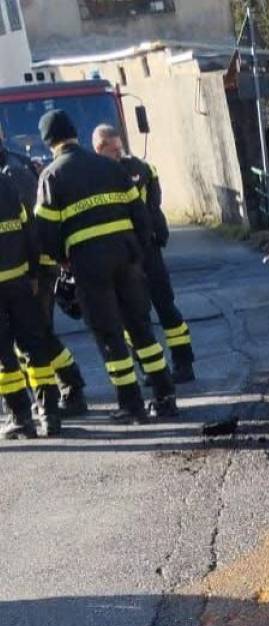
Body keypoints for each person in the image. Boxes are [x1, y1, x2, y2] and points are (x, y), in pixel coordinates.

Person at [34, 110, 178, 422]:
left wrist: (65, 260)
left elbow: (45, 232)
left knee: (110, 334)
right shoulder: (109, 166)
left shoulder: (51, 176)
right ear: (74, 132)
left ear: (49, 143)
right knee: (141, 328)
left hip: (89, 266)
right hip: (127, 258)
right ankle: (165, 396)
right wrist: (136, 251)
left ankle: (131, 405)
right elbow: (139, 213)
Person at [92, 124, 194, 383]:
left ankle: (179, 364)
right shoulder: (114, 172)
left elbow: (149, 206)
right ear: (98, 148)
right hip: (133, 251)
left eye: (119, 148)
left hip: (141, 251)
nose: (118, 154)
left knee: (160, 307)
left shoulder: (128, 171)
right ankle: (155, 368)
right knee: (137, 315)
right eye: (113, 150)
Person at [0, 140, 88, 415]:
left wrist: (36, 270)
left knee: (37, 336)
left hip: (32, 267)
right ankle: (49, 399)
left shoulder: (12, 172)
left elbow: (29, 223)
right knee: (32, 337)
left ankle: (69, 388)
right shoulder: (12, 166)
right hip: (27, 268)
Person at [0, 172, 61, 439]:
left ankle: (21, 418)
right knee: (34, 348)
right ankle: (50, 415)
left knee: (4, 357)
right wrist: (34, 274)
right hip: (21, 283)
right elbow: (30, 233)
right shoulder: (8, 186)